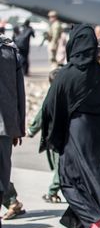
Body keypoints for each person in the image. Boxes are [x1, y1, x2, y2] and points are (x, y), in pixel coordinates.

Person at [41, 24, 100, 228]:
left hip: (81, 131)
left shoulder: (69, 73)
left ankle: (95, 225)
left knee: (69, 180)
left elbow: (50, 106)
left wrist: (51, 133)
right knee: (94, 180)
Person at [0, 34, 26, 228]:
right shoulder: (9, 52)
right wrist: (18, 125)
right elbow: (19, 92)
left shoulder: (10, 52)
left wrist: (18, 125)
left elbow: (19, 91)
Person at [27, 68, 63, 204]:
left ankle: (52, 192)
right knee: (58, 166)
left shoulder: (52, 96)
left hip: (55, 137)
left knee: (59, 167)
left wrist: (31, 130)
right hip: (61, 137)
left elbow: (42, 114)